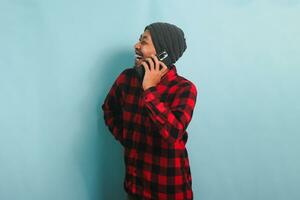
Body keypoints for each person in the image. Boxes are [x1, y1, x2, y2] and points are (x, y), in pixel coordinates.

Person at [102, 22, 197, 200]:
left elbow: (172, 133)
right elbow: (109, 109)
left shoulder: (185, 89)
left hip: (169, 191)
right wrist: (128, 139)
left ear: (163, 53)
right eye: (139, 40)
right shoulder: (126, 79)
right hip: (134, 188)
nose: (136, 46)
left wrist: (149, 89)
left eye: (144, 42)